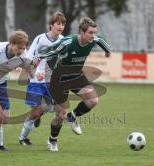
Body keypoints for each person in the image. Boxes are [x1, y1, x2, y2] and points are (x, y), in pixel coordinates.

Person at [35, 17, 111, 151]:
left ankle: (73, 116)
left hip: (76, 76)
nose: (93, 36)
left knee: (93, 100)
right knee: (60, 115)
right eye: (90, 33)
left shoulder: (93, 40)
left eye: (94, 32)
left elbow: (101, 40)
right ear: (81, 32)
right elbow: (50, 50)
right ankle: (52, 140)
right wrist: (37, 58)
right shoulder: (68, 42)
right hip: (60, 80)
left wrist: (107, 50)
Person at [18, 11, 66, 145]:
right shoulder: (40, 39)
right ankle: (23, 137)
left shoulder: (63, 40)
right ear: (51, 25)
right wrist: (35, 71)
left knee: (59, 110)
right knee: (34, 113)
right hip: (36, 81)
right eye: (58, 23)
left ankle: (42, 118)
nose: (60, 26)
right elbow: (29, 58)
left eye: (63, 24)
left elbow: (63, 59)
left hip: (52, 81)